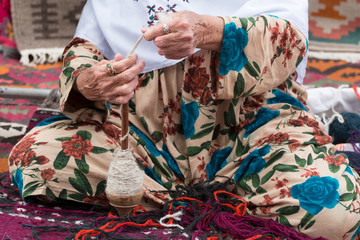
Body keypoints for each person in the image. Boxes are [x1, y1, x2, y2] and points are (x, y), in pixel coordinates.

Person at [8, 0, 360, 239]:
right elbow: (86, 47)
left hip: (252, 128)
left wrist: (210, 31)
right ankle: (196, 204)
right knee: (37, 160)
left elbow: (289, 40)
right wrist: (90, 80)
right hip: (142, 131)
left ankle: (211, 198)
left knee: (337, 211)